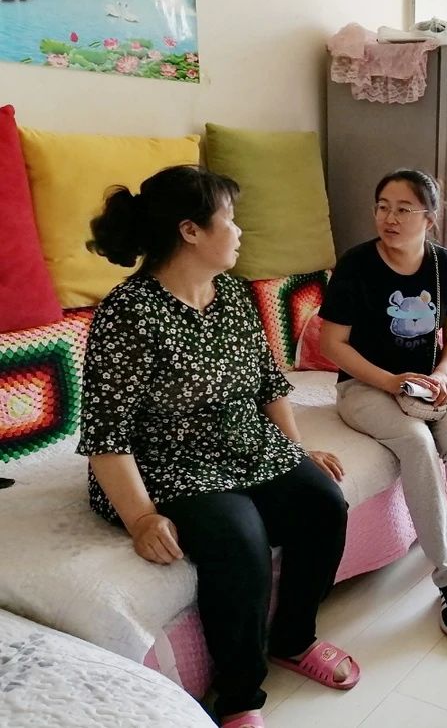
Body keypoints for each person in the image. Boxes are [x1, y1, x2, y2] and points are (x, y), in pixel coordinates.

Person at [77, 165, 360, 728]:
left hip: (244, 443)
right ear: (190, 231)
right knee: (239, 540)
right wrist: (140, 519)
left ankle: (294, 639)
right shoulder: (127, 313)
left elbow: (268, 383)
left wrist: (295, 452)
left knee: (324, 505)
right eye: (229, 219)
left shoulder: (231, 293)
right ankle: (239, 697)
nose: (238, 231)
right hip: (168, 462)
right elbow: (106, 433)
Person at [319, 168, 447, 639]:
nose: (389, 218)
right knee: (417, 444)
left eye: (403, 209)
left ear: (429, 219)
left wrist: (441, 375)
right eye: (382, 207)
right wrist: (391, 381)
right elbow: (333, 344)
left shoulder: (443, 264)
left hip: (428, 384)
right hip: (364, 387)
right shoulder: (357, 265)